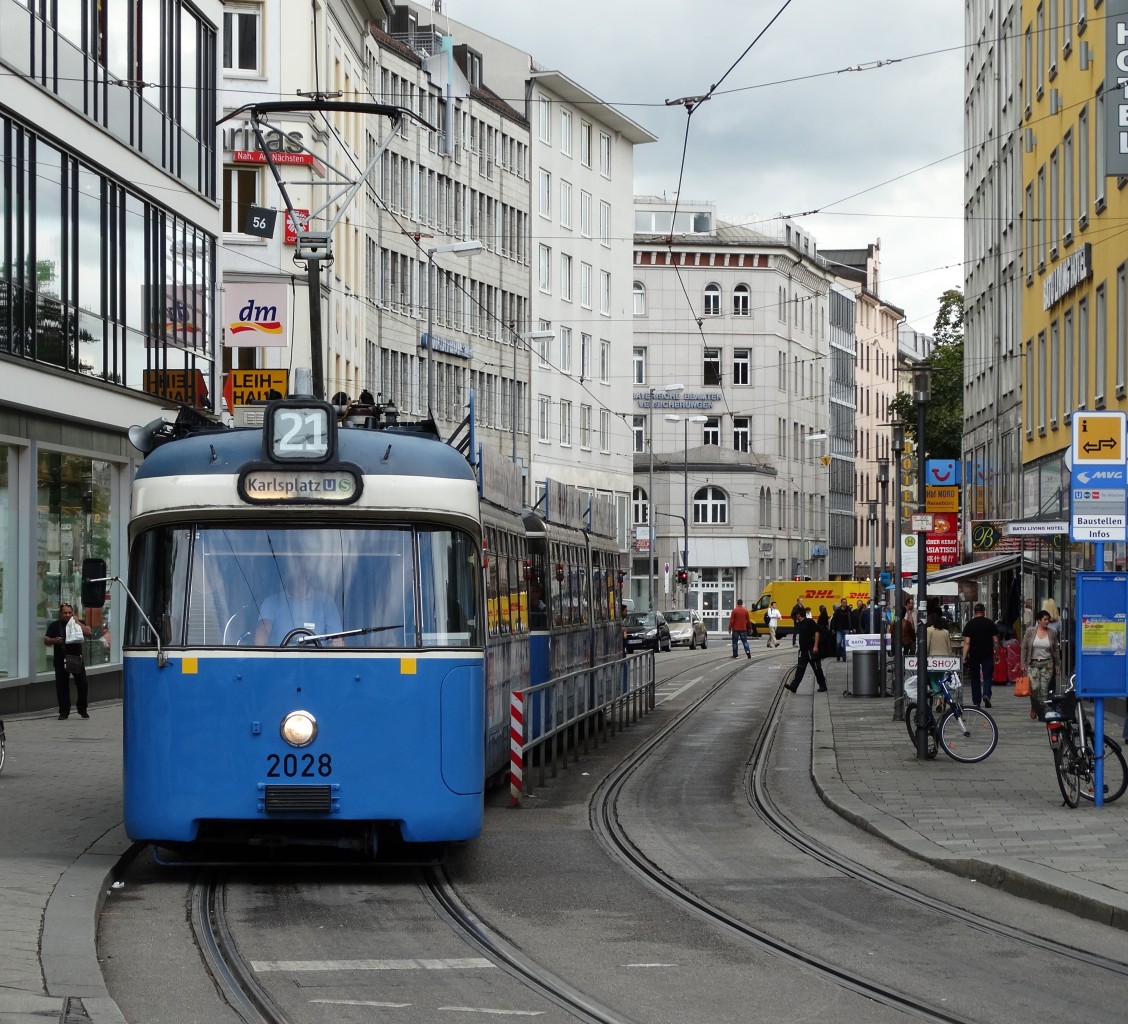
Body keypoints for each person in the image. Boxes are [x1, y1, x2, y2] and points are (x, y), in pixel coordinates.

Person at [256, 568, 344, 646]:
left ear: (309, 573)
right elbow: (261, 636)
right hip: (280, 660)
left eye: (302, 568)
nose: (299, 573)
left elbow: (337, 641)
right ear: (286, 573)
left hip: (319, 661)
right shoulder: (271, 602)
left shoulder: (326, 602)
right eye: (294, 568)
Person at [44, 603, 91, 719]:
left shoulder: (77, 623)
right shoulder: (55, 625)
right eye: (65, 613)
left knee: (83, 684)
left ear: (73, 613)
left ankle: (82, 708)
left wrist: (77, 622)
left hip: (76, 658)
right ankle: (64, 711)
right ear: (60, 613)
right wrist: (55, 640)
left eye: (69, 612)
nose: (67, 615)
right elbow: (46, 640)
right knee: (62, 686)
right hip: (61, 659)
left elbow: (88, 632)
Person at [1021, 608, 1060, 721]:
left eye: (1048, 620)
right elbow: (1024, 647)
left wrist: (1057, 665)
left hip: (1047, 663)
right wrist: (1023, 663)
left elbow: (1056, 649)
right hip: (1033, 663)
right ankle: (1034, 706)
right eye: (1045, 619)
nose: (1047, 622)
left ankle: (1041, 712)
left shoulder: (1052, 633)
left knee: (1044, 689)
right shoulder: (1030, 631)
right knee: (1034, 688)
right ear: (1039, 620)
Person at [961, 602, 1000, 708]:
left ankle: (976, 701)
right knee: (987, 676)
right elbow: (996, 641)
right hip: (987, 653)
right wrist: (997, 653)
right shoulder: (990, 623)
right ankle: (986, 694)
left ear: (974, 612)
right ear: (983, 612)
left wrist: (963, 657)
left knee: (975, 678)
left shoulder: (970, 624)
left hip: (974, 654)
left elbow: (967, 642)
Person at [786, 607, 827, 692]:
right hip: (803, 651)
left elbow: (816, 632)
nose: (795, 617)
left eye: (796, 615)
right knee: (800, 668)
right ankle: (794, 686)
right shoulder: (799, 623)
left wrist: (815, 646)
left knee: (816, 668)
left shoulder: (809, 621)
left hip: (811, 650)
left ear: (798, 614)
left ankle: (822, 685)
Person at [829, 598, 852, 662]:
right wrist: (833, 628)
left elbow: (851, 619)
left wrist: (851, 627)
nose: (845, 604)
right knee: (838, 643)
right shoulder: (838, 610)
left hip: (846, 629)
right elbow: (834, 620)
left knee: (845, 643)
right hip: (839, 629)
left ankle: (844, 656)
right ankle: (838, 654)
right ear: (841, 603)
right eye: (844, 602)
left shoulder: (848, 610)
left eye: (846, 602)